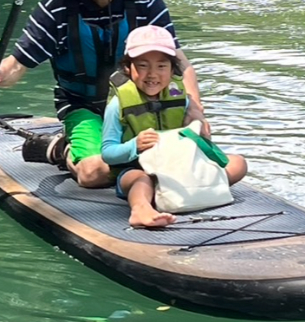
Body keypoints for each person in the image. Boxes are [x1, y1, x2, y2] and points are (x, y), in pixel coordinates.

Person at [0, 0, 208, 188]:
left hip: (141, 102)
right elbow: (17, 65)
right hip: (83, 105)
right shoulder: (57, 7)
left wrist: (196, 110)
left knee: (200, 146)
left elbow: (179, 62)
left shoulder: (147, 2)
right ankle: (61, 149)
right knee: (94, 174)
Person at [101, 25, 247, 228]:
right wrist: (135, 145)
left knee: (238, 163)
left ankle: (200, 188)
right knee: (140, 179)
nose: (152, 74)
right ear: (128, 68)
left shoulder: (181, 98)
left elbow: (196, 143)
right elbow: (108, 153)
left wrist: (202, 136)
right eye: (143, 66)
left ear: (172, 69)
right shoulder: (118, 104)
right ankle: (141, 210)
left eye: (161, 66)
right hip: (140, 170)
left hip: (178, 168)